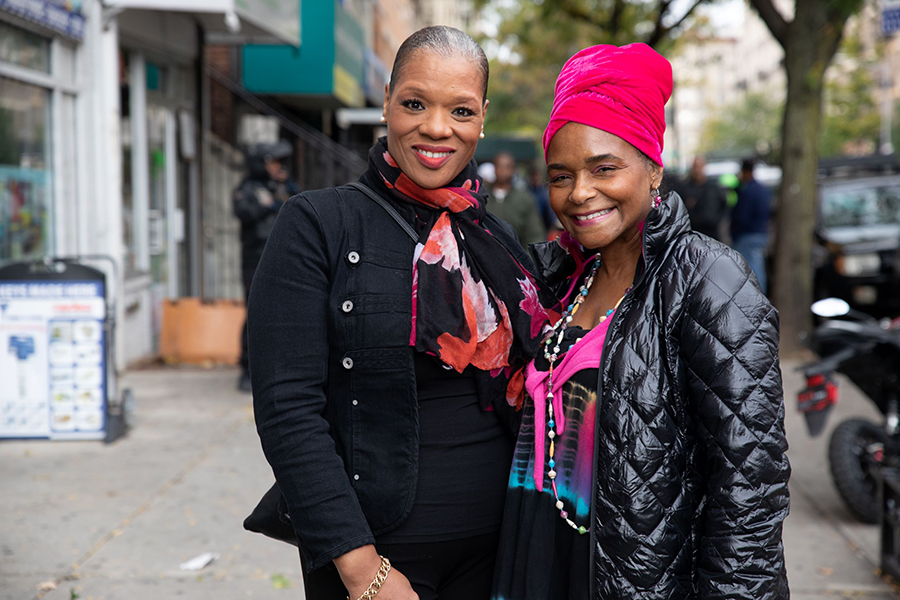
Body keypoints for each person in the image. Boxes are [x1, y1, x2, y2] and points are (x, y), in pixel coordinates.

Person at [247, 26, 552, 600]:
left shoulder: (497, 238)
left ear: (482, 118)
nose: (436, 128)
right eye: (415, 103)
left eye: (460, 110)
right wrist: (364, 571)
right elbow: (288, 409)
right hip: (381, 565)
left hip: (502, 553)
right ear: (387, 100)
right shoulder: (318, 224)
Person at [492, 43, 790, 599]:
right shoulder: (561, 279)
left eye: (604, 168)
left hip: (636, 582)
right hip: (536, 562)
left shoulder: (707, 280)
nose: (580, 193)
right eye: (561, 176)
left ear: (654, 169)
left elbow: (750, 488)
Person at [233, 140, 298, 392]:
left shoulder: (278, 185)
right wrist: (267, 205)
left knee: (284, 312)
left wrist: (285, 186)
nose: (277, 166)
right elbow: (244, 212)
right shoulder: (247, 188)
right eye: (272, 162)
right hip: (255, 259)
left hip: (282, 256)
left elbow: (298, 202)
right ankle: (247, 369)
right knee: (255, 312)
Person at [485, 152, 546, 247]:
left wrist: (527, 255)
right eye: (499, 166)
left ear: (513, 170)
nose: (503, 170)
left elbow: (534, 233)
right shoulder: (482, 196)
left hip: (516, 253)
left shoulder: (524, 198)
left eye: (507, 167)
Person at [731, 157, 772, 294]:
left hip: (747, 234)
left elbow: (741, 216)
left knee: (751, 269)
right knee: (757, 266)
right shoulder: (761, 190)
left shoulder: (748, 191)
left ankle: (756, 296)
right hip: (760, 233)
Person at [676, 155, 726, 240]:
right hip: (693, 234)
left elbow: (724, 205)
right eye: (695, 167)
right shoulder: (685, 188)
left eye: (699, 166)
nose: (697, 170)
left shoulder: (713, 187)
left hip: (712, 233)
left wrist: (717, 219)